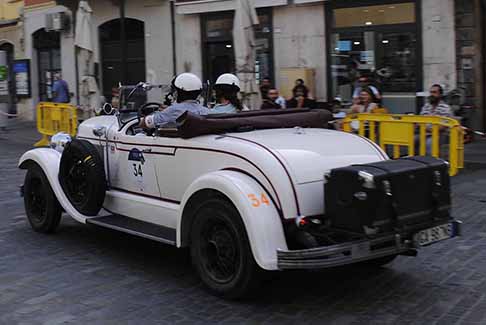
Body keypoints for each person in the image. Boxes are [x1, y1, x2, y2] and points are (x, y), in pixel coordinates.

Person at [141, 73, 208, 129]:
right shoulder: (206, 111)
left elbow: (143, 123)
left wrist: (164, 112)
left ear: (178, 92)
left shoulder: (173, 110)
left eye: (174, 90)